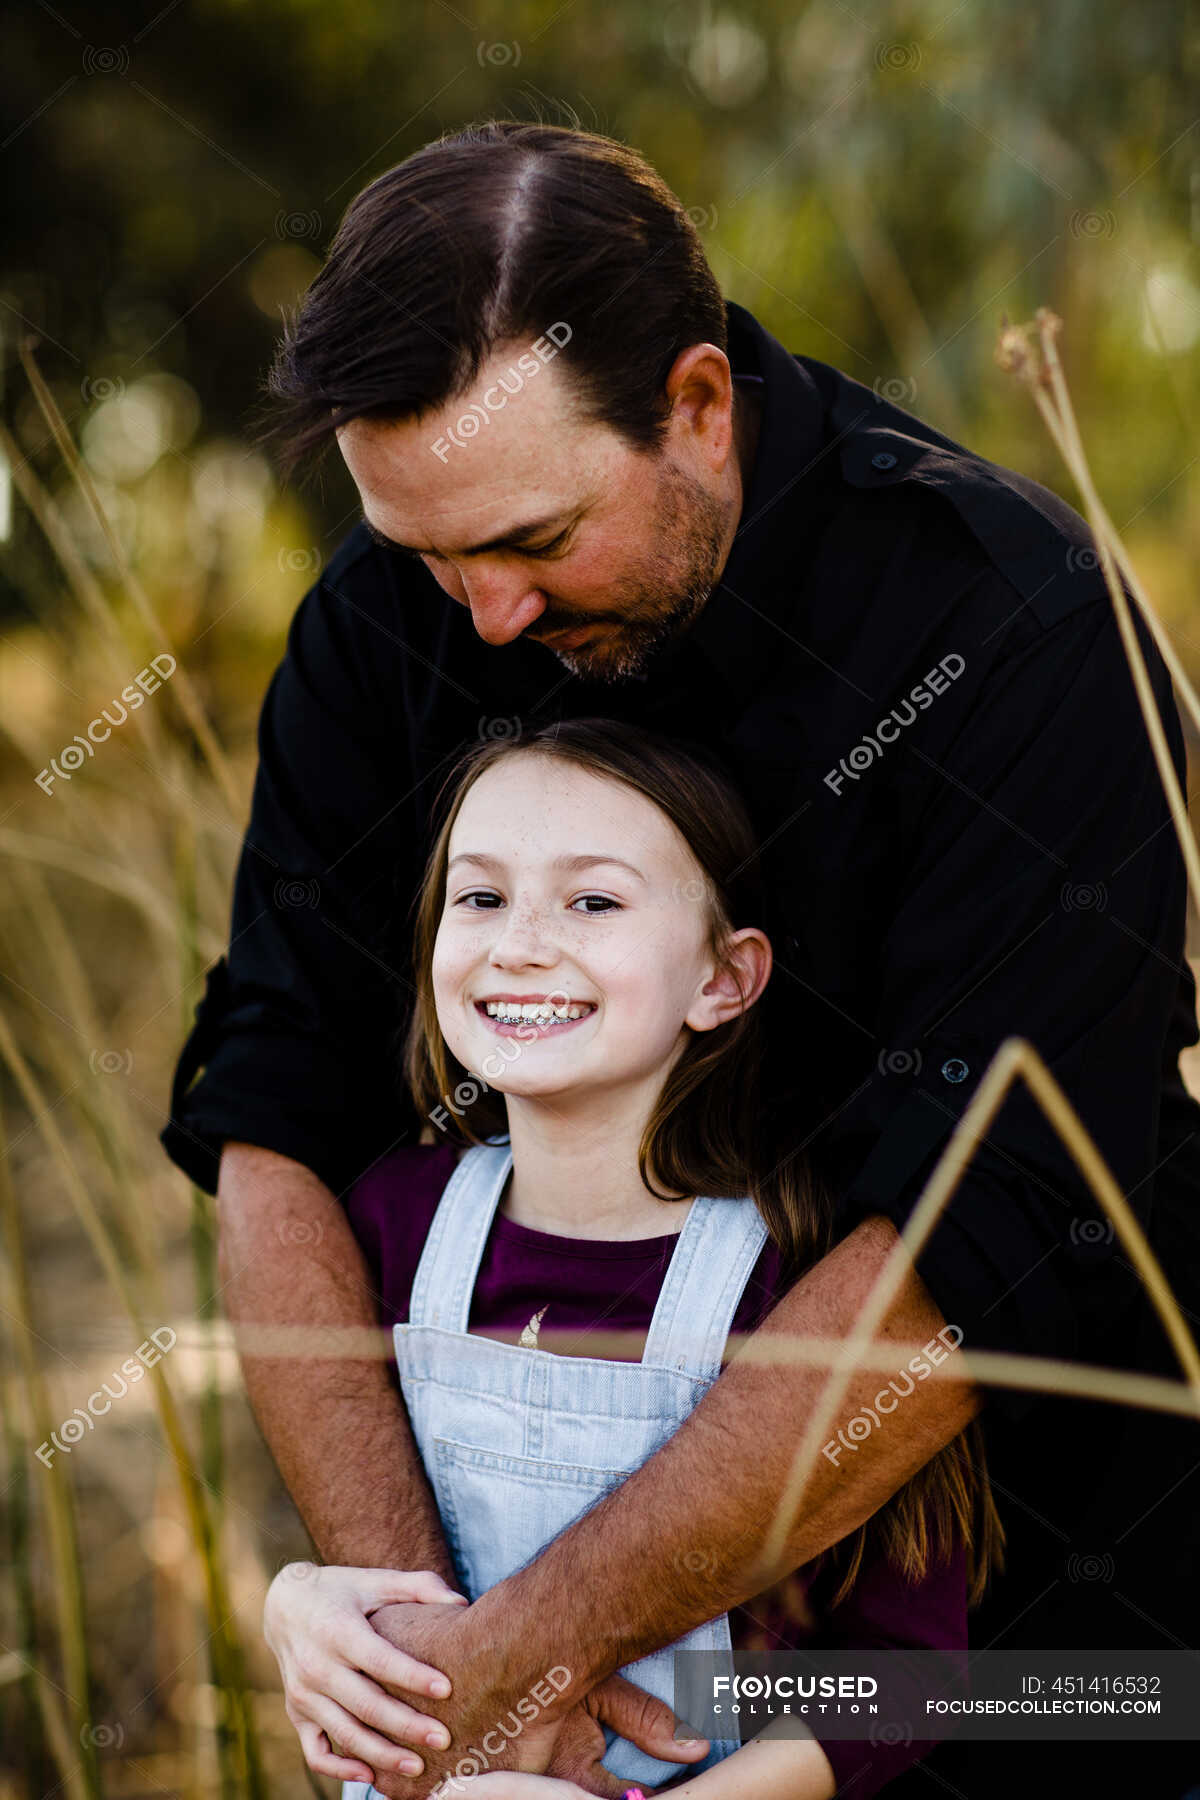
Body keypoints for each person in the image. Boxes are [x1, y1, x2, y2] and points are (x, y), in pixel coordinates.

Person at [162, 119, 1200, 1796]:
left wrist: (537, 1663)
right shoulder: (383, 622)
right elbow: (275, 1111)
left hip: (1036, 1645)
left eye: (532, 543)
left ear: (698, 409)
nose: (481, 615)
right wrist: (438, 1677)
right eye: (429, 555)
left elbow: (978, 1249)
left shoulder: (1019, 632)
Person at [262, 716, 1001, 1799]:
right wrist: (300, 1604)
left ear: (725, 979)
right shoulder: (391, 1227)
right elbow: (371, 1558)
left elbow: (912, 1677)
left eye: (593, 900)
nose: (518, 943)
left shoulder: (793, 1278)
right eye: (480, 897)